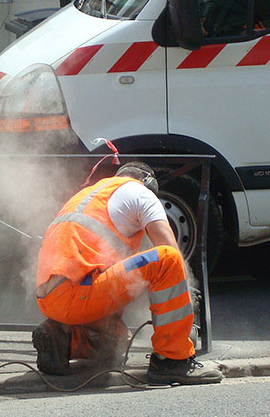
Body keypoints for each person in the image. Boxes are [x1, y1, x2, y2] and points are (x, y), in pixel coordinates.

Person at [33, 162, 221, 385]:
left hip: (51, 299)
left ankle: (63, 340)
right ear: (149, 184)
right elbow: (170, 249)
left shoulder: (92, 195)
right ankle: (172, 360)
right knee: (166, 260)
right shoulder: (142, 194)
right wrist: (186, 292)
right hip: (79, 294)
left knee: (118, 341)